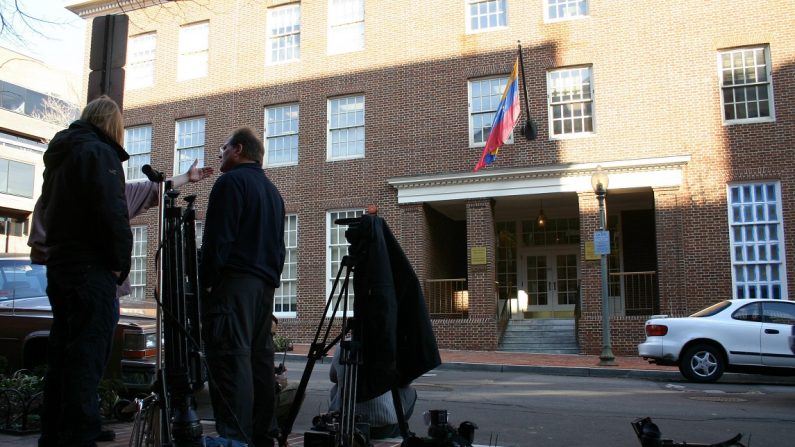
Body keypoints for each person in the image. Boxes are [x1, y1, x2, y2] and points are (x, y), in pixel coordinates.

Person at [35, 95, 132, 447]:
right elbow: (111, 212)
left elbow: (48, 208)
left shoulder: (60, 157)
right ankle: (80, 433)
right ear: (112, 125)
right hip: (90, 267)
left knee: (62, 352)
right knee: (87, 355)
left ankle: (55, 432)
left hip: (61, 263)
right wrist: (121, 261)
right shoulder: (99, 154)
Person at [199, 127, 286, 447]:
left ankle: (235, 437)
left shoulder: (230, 182)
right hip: (264, 288)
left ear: (238, 149)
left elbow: (217, 239)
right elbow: (280, 247)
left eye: (222, 149)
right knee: (259, 362)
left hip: (234, 286)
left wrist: (207, 283)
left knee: (231, 359)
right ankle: (263, 434)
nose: (219, 155)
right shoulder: (272, 192)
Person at [29, 159, 214, 299]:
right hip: (97, 288)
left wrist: (187, 177)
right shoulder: (112, 193)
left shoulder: (51, 196)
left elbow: (154, 188)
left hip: (64, 286)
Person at [329, 345, 417, 440]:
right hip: (383, 428)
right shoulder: (392, 344)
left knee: (336, 387)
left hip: (344, 425)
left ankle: (336, 415)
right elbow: (406, 382)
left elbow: (333, 377)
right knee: (410, 391)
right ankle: (401, 427)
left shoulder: (342, 346)